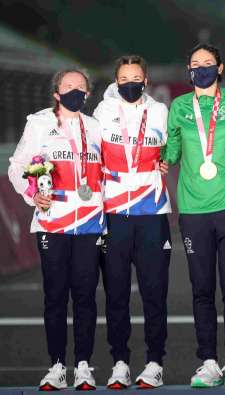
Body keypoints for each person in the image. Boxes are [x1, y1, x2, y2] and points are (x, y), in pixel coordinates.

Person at [8, 69, 104, 390]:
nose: (75, 91)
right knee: (55, 298)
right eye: (68, 86)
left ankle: (84, 367)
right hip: (52, 224)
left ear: (88, 94)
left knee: (86, 298)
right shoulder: (38, 124)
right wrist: (32, 194)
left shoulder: (95, 128)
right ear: (56, 92)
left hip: (90, 224)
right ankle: (57, 367)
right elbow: (16, 167)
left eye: (80, 87)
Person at [163, 43, 225, 388]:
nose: (202, 69)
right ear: (188, 70)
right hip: (194, 210)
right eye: (195, 63)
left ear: (220, 68)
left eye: (208, 63)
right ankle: (209, 362)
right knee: (201, 289)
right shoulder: (180, 107)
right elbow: (170, 149)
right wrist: (156, 159)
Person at [93, 55, 171, 389]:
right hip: (113, 214)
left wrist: (165, 162)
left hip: (152, 212)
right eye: (124, 78)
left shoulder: (159, 111)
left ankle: (155, 362)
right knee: (116, 295)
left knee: (154, 292)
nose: (130, 83)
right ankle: (120, 362)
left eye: (136, 77)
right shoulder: (101, 112)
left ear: (146, 79)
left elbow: (169, 149)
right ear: (116, 81)